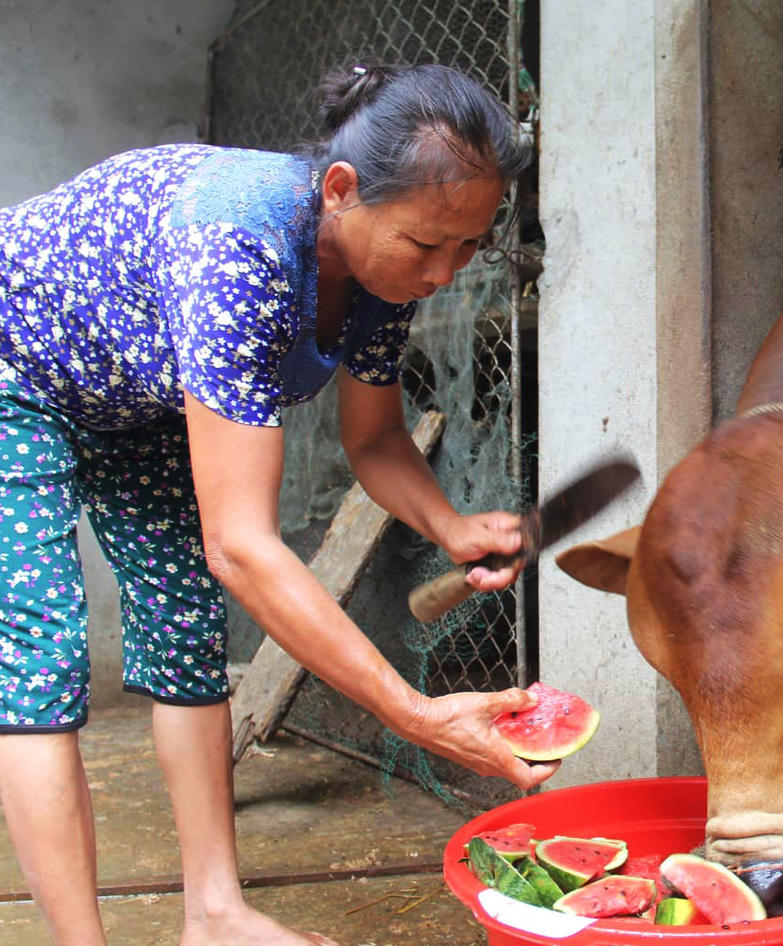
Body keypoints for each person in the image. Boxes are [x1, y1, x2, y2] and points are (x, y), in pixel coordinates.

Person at [0, 62, 556, 946]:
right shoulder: (242, 243)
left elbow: (373, 438)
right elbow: (244, 547)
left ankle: (214, 914)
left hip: (137, 388)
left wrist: (447, 526)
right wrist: (409, 713)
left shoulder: (385, 272)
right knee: (41, 655)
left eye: (467, 247)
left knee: (185, 629)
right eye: (427, 245)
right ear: (341, 190)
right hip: (15, 368)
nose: (446, 273)